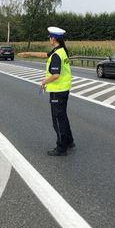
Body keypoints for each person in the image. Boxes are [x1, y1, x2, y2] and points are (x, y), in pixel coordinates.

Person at [40, 27, 75, 156]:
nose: (49, 39)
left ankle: (61, 148)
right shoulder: (62, 51)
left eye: (49, 37)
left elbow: (55, 75)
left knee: (58, 120)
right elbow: (46, 56)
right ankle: (69, 141)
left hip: (57, 91)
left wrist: (44, 81)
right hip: (64, 89)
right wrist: (28, 54)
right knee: (63, 116)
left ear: (53, 39)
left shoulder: (56, 55)